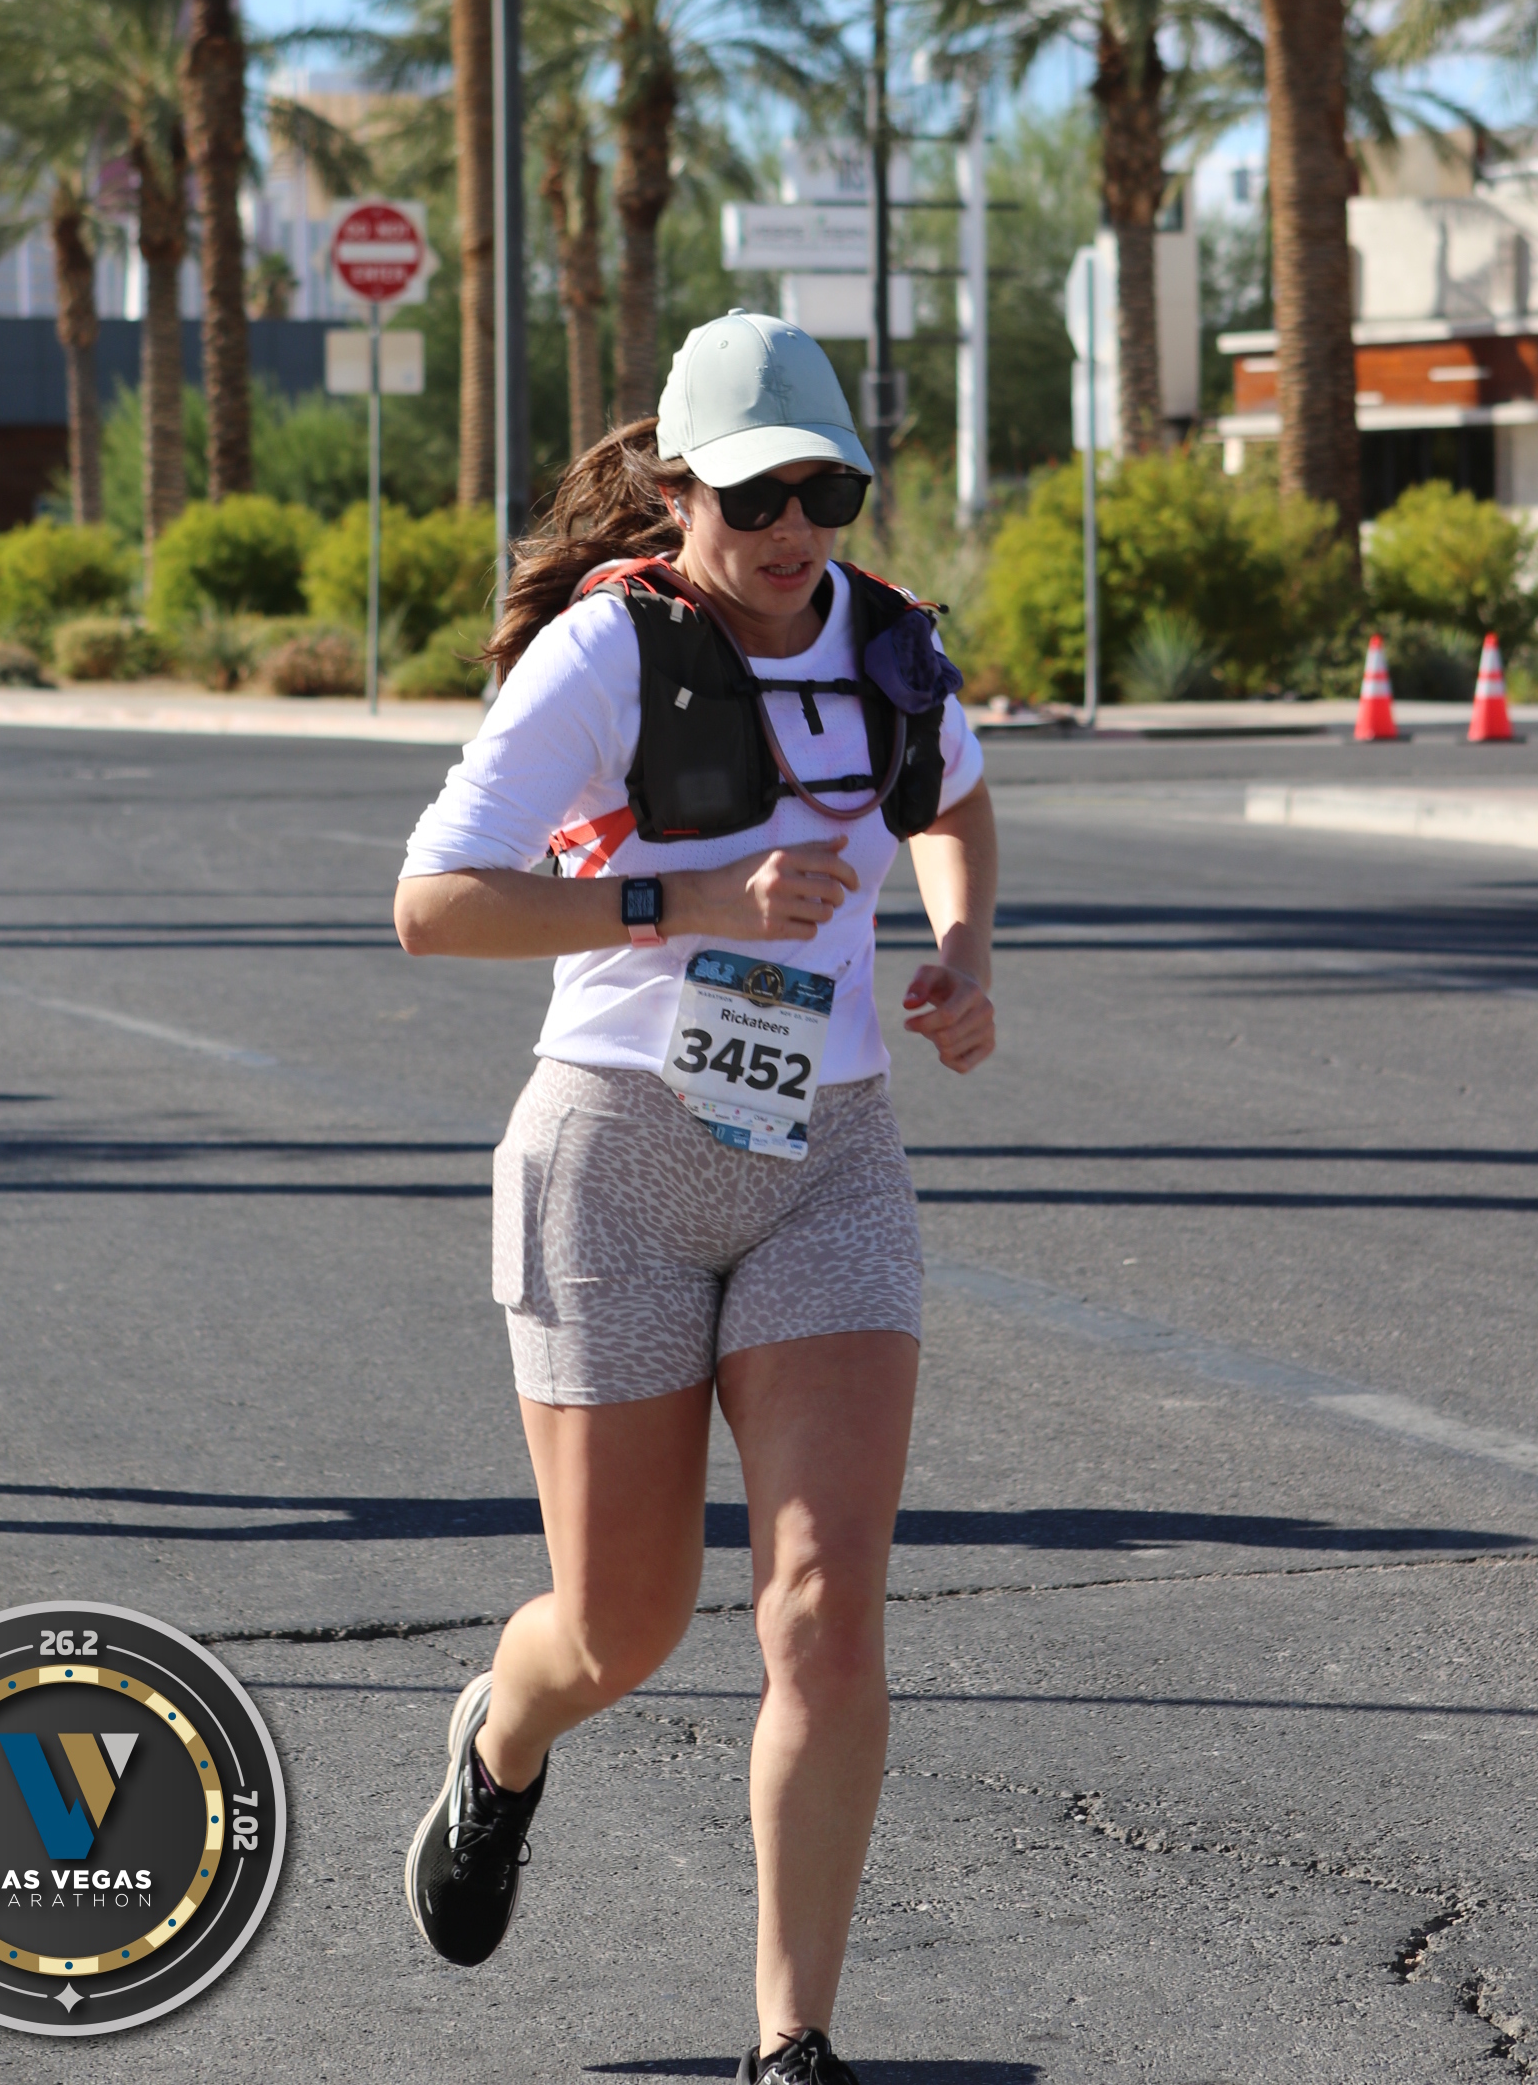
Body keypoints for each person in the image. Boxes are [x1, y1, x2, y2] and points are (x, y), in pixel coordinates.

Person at [394, 311, 997, 2082]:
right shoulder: (605, 656)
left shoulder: (888, 644)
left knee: (822, 1608)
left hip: (831, 1160)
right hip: (616, 1158)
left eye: (825, 492)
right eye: (754, 498)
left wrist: (961, 949)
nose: (793, 529)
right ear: (677, 494)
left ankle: (790, 2042)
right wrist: (688, 902)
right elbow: (434, 903)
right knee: (621, 1628)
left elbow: (954, 801)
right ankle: (502, 1740)